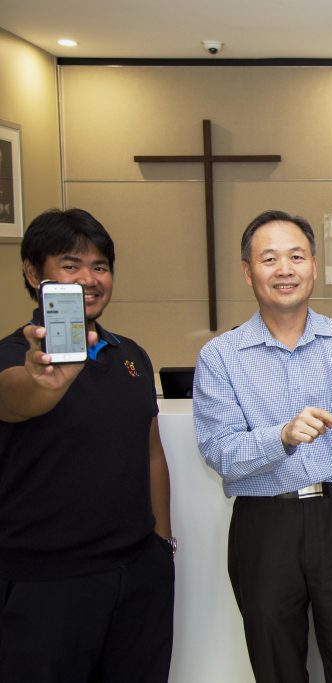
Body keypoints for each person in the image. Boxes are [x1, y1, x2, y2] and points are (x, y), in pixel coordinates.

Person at [192, 209, 332, 683]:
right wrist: (282, 436)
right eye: (269, 259)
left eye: (296, 256)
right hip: (263, 524)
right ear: (248, 272)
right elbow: (219, 451)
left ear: (313, 265)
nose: (285, 269)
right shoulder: (219, 356)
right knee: (277, 668)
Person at [0, 208, 174, 682]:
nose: (90, 279)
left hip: (137, 575)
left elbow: (152, 453)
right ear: (34, 274)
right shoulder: (17, 357)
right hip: (47, 584)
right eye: (71, 265)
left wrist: (161, 545)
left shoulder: (130, 355)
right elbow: (19, 397)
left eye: (100, 266)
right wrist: (45, 381)